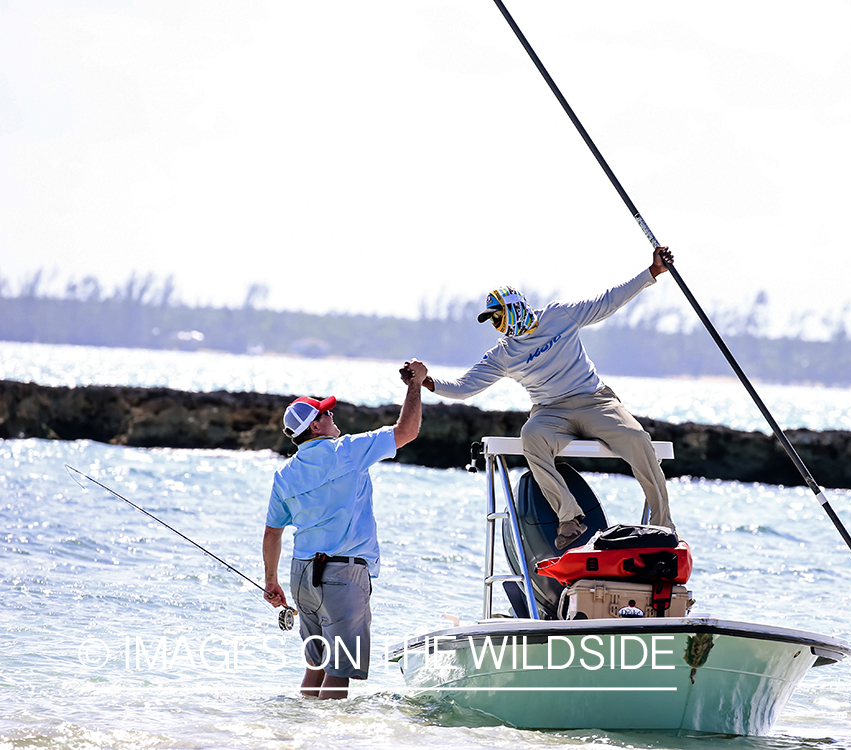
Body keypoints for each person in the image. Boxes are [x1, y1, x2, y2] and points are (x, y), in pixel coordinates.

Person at [415, 248, 676, 550]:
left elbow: (608, 302)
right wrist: (429, 382)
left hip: (595, 401)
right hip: (550, 412)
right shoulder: (503, 353)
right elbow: (464, 386)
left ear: (515, 307)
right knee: (531, 434)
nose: (497, 325)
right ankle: (569, 517)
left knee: (637, 438)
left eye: (497, 317)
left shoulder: (559, 315)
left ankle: (663, 528)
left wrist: (652, 272)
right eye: (492, 321)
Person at [262, 359, 428, 699]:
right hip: (341, 575)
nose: (332, 416)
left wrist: (271, 582)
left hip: (301, 576)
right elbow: (407, 431)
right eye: (326, 414)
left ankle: (300, 734)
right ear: (316, 427)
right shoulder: (347, 451)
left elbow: (272, 533)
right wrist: (415, 386)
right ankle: (328, 739)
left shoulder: (284, 474)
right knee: (339, 673)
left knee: (316, 666)